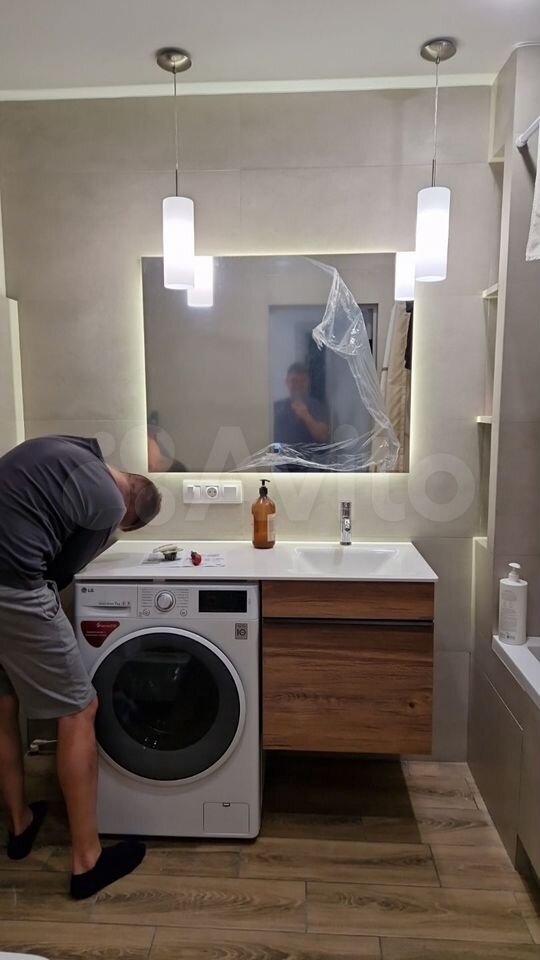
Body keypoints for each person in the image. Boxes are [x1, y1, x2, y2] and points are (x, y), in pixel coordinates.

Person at [0, 436, 162, 899]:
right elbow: (63, 571)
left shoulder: (71, 451)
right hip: (13, 584)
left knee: (4, 702)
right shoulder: (109, 503)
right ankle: (88, 862)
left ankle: (19, 823)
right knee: (79, 709)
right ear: (130, 516)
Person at [274, 361, 329, 447]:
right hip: (283, 455)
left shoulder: (317, 407)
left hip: (310, 455)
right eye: (294, 381)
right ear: (287, 382)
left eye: (302, 381)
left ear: (308, 383)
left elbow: (323, 437)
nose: (298, 385)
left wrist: (306, 415)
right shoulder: (276, 408)